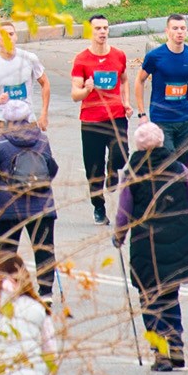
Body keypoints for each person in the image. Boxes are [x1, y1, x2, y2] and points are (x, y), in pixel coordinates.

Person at [115, 121, 188, 372]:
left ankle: (161, 350)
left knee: (149, 297)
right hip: (178, 244)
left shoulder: (133, 172)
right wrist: (187, 238)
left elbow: (124, 211)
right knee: (170, 295)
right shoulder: (180, 170)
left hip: (146, 245)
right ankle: (175, 344)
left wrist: (119, 236)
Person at [0, 99, 58, 298]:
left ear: (6, 119)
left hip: (8, 205)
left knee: (7, 252)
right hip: (41, 205)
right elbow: (51, 168)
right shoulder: (41, 139)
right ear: (28, 117)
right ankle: (46, 292)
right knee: (44, 249)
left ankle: (8, 290)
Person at [71, 13, 129, 226]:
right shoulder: (82, 60)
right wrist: (86, 90)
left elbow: (124, 80)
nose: (103, 32)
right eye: (98, 28)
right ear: (90, 32)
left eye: (105, 28)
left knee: (121, 152)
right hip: (91, 120)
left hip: (116, 115)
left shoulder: (119, 55)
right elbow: (74, 94)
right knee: (93, 169)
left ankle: (113, 172)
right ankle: (99, 207)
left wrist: (126, 102)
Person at [133, 13, 188, 166]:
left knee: (182, 168)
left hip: (185, 119)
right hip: (162, 120)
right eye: (175, 28)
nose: (179, 32)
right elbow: (139, 80)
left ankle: (179, 190)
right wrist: (141, 113)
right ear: (167, 31)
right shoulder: (155, 56)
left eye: (183, 28)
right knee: (168, 163)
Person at [0, 25, 49, 132]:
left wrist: (44, 114)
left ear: (16, 37)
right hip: (1, 120)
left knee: (37, 148)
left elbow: (45, 83)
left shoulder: (29, 58)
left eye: (11, 34)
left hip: (27, 118)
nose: (8, 37)